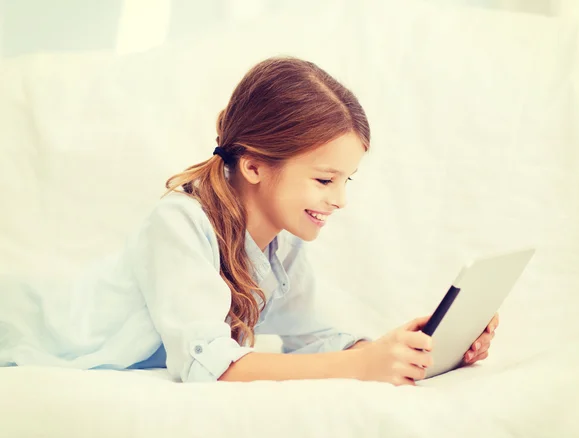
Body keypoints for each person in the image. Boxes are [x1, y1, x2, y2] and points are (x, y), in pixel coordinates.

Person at [0, 56, 498, 385]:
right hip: (30, 324)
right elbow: (207, 366)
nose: (341, 200)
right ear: (255, 165)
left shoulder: (285, 242)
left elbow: (317, 339)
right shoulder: (178, 224)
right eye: (326, 180)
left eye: (349, 180)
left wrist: (411, 350)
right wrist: (359, 366)